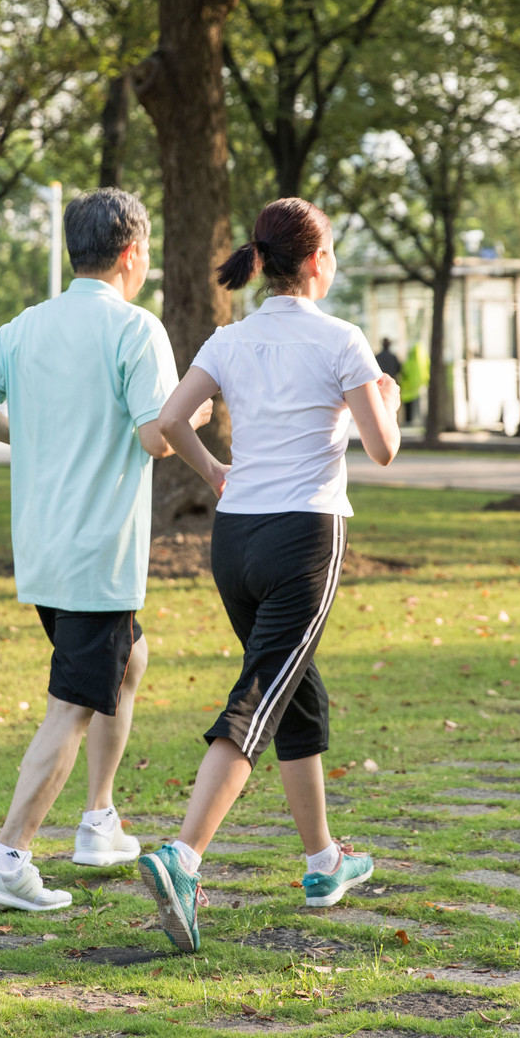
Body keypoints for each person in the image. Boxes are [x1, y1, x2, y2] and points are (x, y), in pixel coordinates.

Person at [135, 197, 401, 952]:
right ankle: (183, 857)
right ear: (316, 260)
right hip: (302, 539)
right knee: (259, 697)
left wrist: (215, 469)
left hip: (236, 542)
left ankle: (323, 863)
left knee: (295, 691)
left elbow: (168, 422)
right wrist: (391, 399)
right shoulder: (343, 339)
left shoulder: (230, 338)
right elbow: (382, 451)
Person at [0, 188, 210, 912]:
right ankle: (8, 858)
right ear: (132, 253)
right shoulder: (135, 328)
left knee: (131, 659)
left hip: (44, 547)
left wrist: (27, 434)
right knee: (73, 705)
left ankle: (99, 819)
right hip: (98, 553)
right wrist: (200, 410)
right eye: (147, 250)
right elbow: (159, 433)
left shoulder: (28, 325)